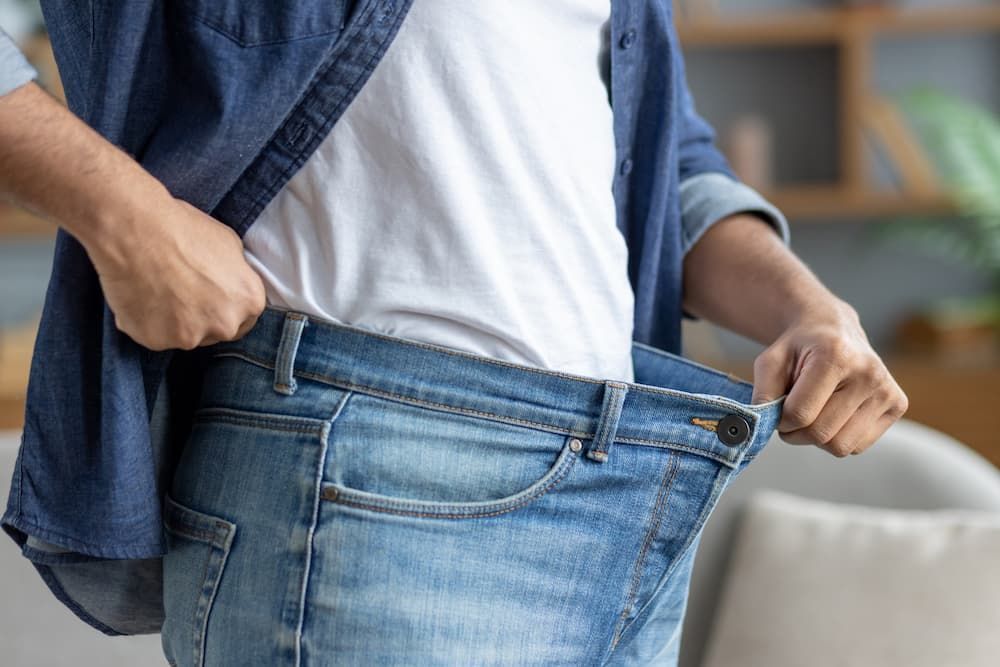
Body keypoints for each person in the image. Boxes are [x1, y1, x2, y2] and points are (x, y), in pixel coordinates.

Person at [0, 3, 907, 665]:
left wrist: (804, 305)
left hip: (631, 476)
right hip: (372, 465)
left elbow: (652, 152)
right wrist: (124, 215)